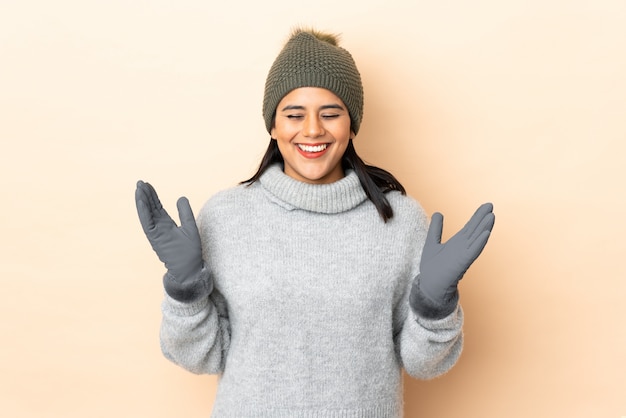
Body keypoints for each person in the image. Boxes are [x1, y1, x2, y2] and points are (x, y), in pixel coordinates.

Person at [135, 28, 495, 418]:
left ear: (352, 124)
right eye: (294, 114)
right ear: (273, 126)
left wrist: (435, 305)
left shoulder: (401, 222)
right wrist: (186, 290)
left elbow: (424, 363)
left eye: (330, 113)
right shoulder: (225, 217)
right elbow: (202, 357)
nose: (312, 130)